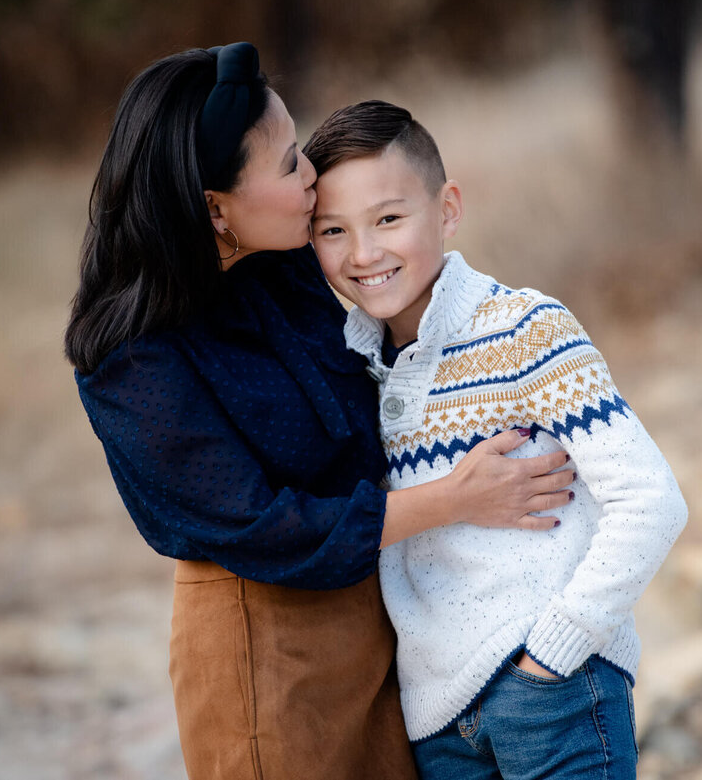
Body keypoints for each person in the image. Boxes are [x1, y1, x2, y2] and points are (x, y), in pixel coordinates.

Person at [64, 44, 574, 780]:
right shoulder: (134, 359)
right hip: (266, 642)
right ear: (215, 209)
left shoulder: (283, 262)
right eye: (289, 164)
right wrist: (454, 499)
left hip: (378, 618)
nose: (312, 176)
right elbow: (263, 527)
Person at [304, 100, 689, 780]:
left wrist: (554, 652)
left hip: (554, 692)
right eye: (333, 229)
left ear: (448, 208)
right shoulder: (351, 368)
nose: (363, 254)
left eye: (389, 218)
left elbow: (651, 500)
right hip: (437, 721)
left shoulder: (524, 328)